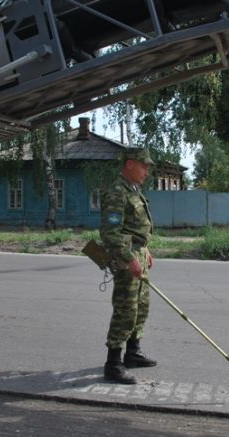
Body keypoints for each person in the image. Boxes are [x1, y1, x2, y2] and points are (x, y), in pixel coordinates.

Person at [99, 147, 157, 384]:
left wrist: (145, 250)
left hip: (138, 253)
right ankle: (113, 363)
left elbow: (135, 228)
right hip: (127, 258)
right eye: (144, 166)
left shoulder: (134, 190)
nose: (147, 171)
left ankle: (133, 353)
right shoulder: (117, 192)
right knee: (126, 309)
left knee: (141, 306)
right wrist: (130, 258)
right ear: (130, 164)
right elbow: (110, 233)